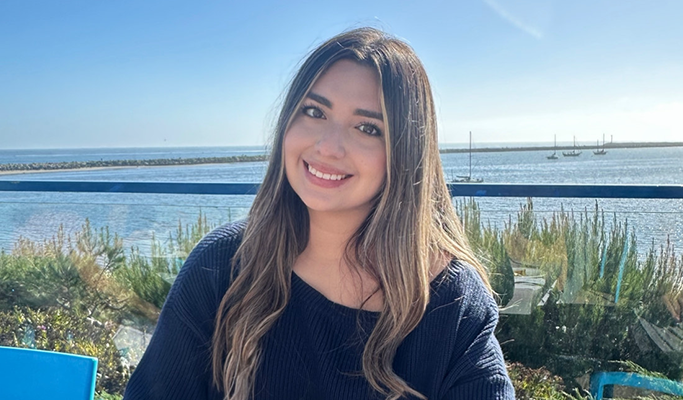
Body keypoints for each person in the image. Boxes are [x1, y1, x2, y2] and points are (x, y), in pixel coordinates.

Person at [123, 27, 515, 400]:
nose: (328, 146)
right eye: (314, 112)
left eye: (367, 128)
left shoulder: (452, 302)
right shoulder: (222, 265)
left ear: (406, 152)